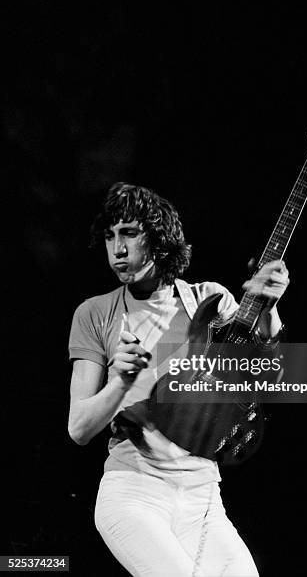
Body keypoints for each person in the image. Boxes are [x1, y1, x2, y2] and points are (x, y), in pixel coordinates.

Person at [68, 182, 290, 577]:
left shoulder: (210, 300)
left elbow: (264, 379)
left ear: (159, 238)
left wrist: (268, 312)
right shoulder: (94, 314)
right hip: (135, 493)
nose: (117, 249)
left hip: (203, 497)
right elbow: (79, 428)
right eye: (109, 236)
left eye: (130, 233)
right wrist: (119, 381)